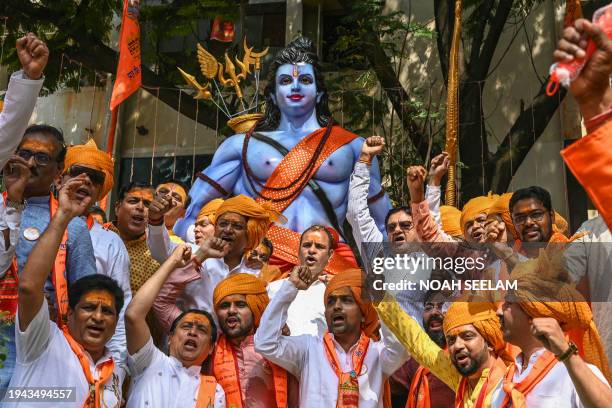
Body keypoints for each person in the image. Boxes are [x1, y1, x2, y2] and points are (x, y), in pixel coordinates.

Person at [175, 37, 391, 275]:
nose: (295, 87)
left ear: (319, 93)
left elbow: (381, 222)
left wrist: (389, 277)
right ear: (274, 94)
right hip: (262, 260)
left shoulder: (353, 147)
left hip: (332, 260)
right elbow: (190, 216)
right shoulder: (240, 146)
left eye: (305, 80)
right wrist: (211, 245)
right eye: (286, 80)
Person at [7, 175, 125, 407]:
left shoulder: (112, 373)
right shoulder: (44, 340)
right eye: (89, 307)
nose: (98, 317)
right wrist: (62, 215)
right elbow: (29, 287)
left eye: (107, 311)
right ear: (69, 312)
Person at [491, 248, 612, 407]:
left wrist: (567, 355)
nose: (498, 311)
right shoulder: (502, 387)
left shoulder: (574, 374)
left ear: (533, 311)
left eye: (508, 303)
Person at [152, 195, 283, 330]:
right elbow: (159, 252)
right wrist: (155, 221)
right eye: (223, 224)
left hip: (230, 349)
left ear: (250, 234)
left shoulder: (255, 274)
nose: (227, 230)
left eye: (237, 226)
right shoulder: (193, 252)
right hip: (187, 341)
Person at [375, 288, 513, 407]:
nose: (457, 345)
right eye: (451, 340)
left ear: (489, 342)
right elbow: (418, 343)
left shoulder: (508, 386)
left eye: (467, 336)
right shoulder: (460, 378)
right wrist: (381, 297)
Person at [125, 244, 225, 408]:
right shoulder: (150, 361)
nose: (192, 332)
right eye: (186, 327)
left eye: (202, 330)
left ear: (210, 348)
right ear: (170, 338)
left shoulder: (215, 392)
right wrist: (172, 262)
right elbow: (133, 315)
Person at [59, 139, 132, 364]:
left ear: (102, 189)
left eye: (95, 178)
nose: (86, 181)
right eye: (78, 172)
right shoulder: (36, 224)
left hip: (87, 356)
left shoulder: (111, 242)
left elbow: (120, 305)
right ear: (60, 177)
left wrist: (117, 366)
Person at [212, 273, 294, 408]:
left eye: (240, 304)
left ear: (255, 308)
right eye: (225, 305)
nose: (231, 311)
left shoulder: (278, 348)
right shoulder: (209, 349)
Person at [266, 225, 335, 336]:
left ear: (330, 255)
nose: (312, 250)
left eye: (319, 247)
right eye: (307, 245)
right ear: (298, 251)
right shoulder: (273, 289)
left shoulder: (336, 293)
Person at [390, 291, 455, 408]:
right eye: (428, 307)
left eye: (441, 306)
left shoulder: (460, 358)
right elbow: (386, 382)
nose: (434, 312)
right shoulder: (414, 361)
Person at [149, 180, 190, 244]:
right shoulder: (132, 228)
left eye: (176, 198)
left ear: (183, 214)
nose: (168, 196)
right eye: (162, 192)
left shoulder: (179, 247)